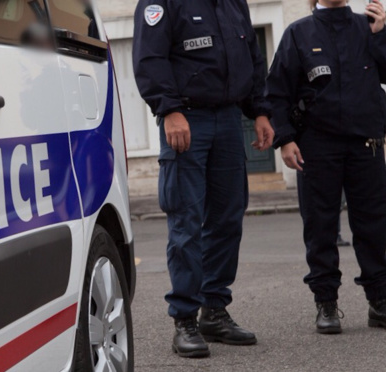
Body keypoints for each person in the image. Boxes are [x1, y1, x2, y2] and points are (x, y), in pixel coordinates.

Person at [132, 0, 274, 358]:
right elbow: (150, 58)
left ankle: (214, 310)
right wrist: (169, 109)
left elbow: (252, 59)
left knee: (227, 219)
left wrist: (259, 110)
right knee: (186, 223)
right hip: (186, 120)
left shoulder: (233, 3)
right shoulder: (160, 2)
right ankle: (185, 320)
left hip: (228, 120)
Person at [266, 0, 386, 334]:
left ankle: (379, 300)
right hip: (317, 147)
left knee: (374, 226)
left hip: (366, 145)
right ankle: (326, 302)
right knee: (320, 227)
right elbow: (277, 93)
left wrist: (381, 35)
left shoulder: (369, 27)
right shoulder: (298, 33)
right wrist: (285, 139)